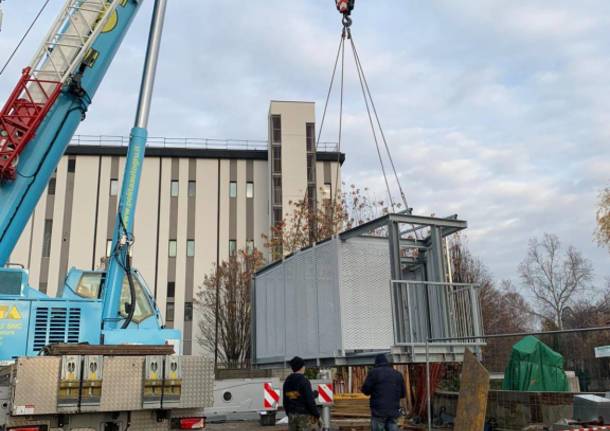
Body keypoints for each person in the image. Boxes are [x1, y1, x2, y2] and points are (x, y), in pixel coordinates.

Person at [361, 353, 406, 431]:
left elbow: (366, 390)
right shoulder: (398, 374)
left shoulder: (373, 373)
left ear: (376, 362)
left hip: (378, 411)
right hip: (393, 411)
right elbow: (403, 394)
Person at [283, 356, 320, 431]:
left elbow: (290, 397)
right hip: (304, 416)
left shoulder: (287, 381)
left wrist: (289, 413)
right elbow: (309, 401)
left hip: (291, 415)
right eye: (304, 365)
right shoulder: (304, 381)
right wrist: (316, 414)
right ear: (301, 367)